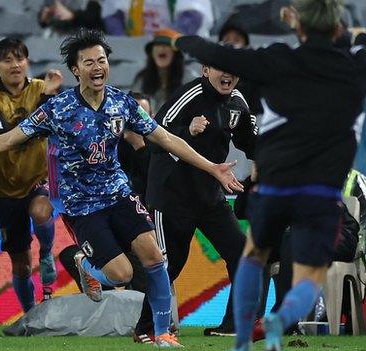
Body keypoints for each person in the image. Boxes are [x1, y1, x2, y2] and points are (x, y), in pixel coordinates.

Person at [0, 29, 244, 348]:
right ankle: (84, 264)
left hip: (120, 196)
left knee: (155, 259)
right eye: (88, 62)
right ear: (76, 70)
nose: (97, 67)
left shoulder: (122, 103)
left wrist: (212, 167)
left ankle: (159, 333)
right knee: (120, 275)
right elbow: (8, 139)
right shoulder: (59, 109)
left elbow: (167, 138)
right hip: (84, 207)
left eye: (101, 60)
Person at [171, 0, 366, 349]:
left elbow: (213, 52)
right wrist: (352, 38)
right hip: (321, 193)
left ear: (298, 27)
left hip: (277, 187)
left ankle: (244, 336)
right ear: (337, 27)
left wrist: (181, 42)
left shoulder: (277, 60)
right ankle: (283, 316)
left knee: (254, 254)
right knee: (309, 273)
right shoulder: (354, 67)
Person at [144, 63, 256, 338]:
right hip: (173, 196)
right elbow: (154, 134)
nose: (227, 74)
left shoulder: (238, 103)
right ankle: (146, 329)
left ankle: (233, 326)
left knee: (243, 255)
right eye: (220, 68)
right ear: (206, 70)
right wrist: (187, 130)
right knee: (170, 265)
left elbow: (250, 141)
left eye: (232, 69)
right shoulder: (189, 95)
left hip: (209, 196)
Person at [0, 37, 62, 312]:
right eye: (7, 60)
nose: (15, 65)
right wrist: (46, 102)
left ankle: (48, 252)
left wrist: (48, 97)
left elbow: (54, 124)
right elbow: (5, 138)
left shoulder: (40, 88)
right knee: (21, 263)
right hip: (6, 189)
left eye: (19, 58)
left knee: (41, 212)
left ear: (27, 61)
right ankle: (30, 314)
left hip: (39, 178)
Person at [132, 29, 196, 113]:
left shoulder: (189, 79)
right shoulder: (142, 79)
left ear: (176, 54)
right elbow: (134, 109)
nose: (162, 48)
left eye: (166, 45)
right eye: (157, 44)